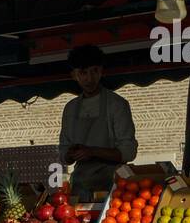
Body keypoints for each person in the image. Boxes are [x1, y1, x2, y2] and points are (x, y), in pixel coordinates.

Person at [58, 44, 138, 200]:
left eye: (94, 71)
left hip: (113, 186)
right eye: (83, 73)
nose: (89, 78)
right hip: (80, 186)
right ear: (74, 75)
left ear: (101, 71)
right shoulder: (70, 108)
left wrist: (92, 151)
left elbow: (129, 151)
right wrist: (70, 154)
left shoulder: (117, 104)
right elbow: (63, 152)